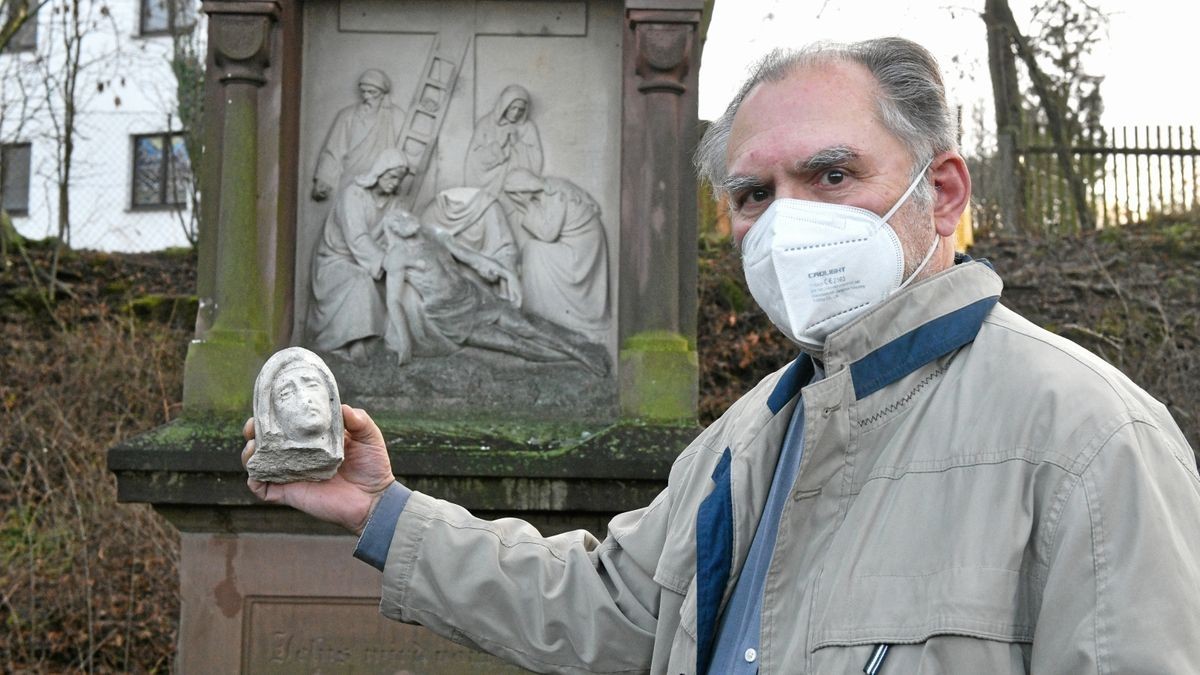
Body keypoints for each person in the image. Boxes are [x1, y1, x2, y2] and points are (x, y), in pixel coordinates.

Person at [244, 38, 1200, 673]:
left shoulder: (1086, 439)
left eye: (832, 173)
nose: (788, 220)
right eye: (754, 194)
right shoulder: (748, 436)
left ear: (941, 192)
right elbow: (609, 602)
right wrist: (381, 511)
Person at [380, 208, 605, 374]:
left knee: (525, 327)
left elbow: (469, 256)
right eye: (398, 219)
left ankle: (581, 354)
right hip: (450, 317)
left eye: (405, 214)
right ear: (393, 229)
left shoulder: (433, 236)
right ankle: (571, 363)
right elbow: (393, 301)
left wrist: (507, 274)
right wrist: (405, 342)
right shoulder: (397, 256)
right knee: (514, 345)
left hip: (475, 298)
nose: (406, 218)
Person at [307, 149, 413, 361]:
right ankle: (353, 343)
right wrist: (385, 262)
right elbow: (357, 238)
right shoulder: (353, 195)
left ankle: (384, 341)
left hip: (373, 263)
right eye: (391, 177)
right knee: (360, 281)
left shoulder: (395, 202)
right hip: (335, 261)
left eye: (399, 179)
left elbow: (398, 233)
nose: (394, 183)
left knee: (405, 292)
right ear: (379, 172)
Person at [502, 169, 610, 340]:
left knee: (533, 250)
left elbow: (547, 235)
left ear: (523, 190)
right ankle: (539, 310)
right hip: (579, 244)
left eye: (515, 194)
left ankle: (538, 312)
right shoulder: (550, 187)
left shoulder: (555, 195)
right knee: (531, 250)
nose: (515, 199)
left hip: (581, 252)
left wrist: (527, 205)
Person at [311, 69, 408, 202]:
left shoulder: (396, 116)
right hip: (351, 178)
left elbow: (406, 149)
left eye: (372, 92)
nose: (367, 97)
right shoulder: (347, 115)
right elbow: (334, 150)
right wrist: (324, 179)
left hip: (381, 184)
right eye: (363, 91)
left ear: (382, 94)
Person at [464, 84, 544, 192]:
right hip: (490, 185)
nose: (516, 113)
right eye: (513, 108)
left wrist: (517, 144)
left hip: (516, 187)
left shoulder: (528, 127)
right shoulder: (486, 124)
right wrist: (497, 146)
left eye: (521, 110)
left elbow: (536, 160)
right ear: (504, 106)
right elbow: (473, 160)